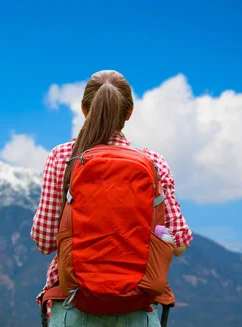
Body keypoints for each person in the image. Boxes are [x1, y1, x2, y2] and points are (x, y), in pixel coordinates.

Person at [30, 70, 193, 326]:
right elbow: (180, 243)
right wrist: (158, 234)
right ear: (129, 113)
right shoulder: (153, 163)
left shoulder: (63, 157)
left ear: (85, 109)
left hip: (73, 304)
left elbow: (44, 240)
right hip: (136, 307)